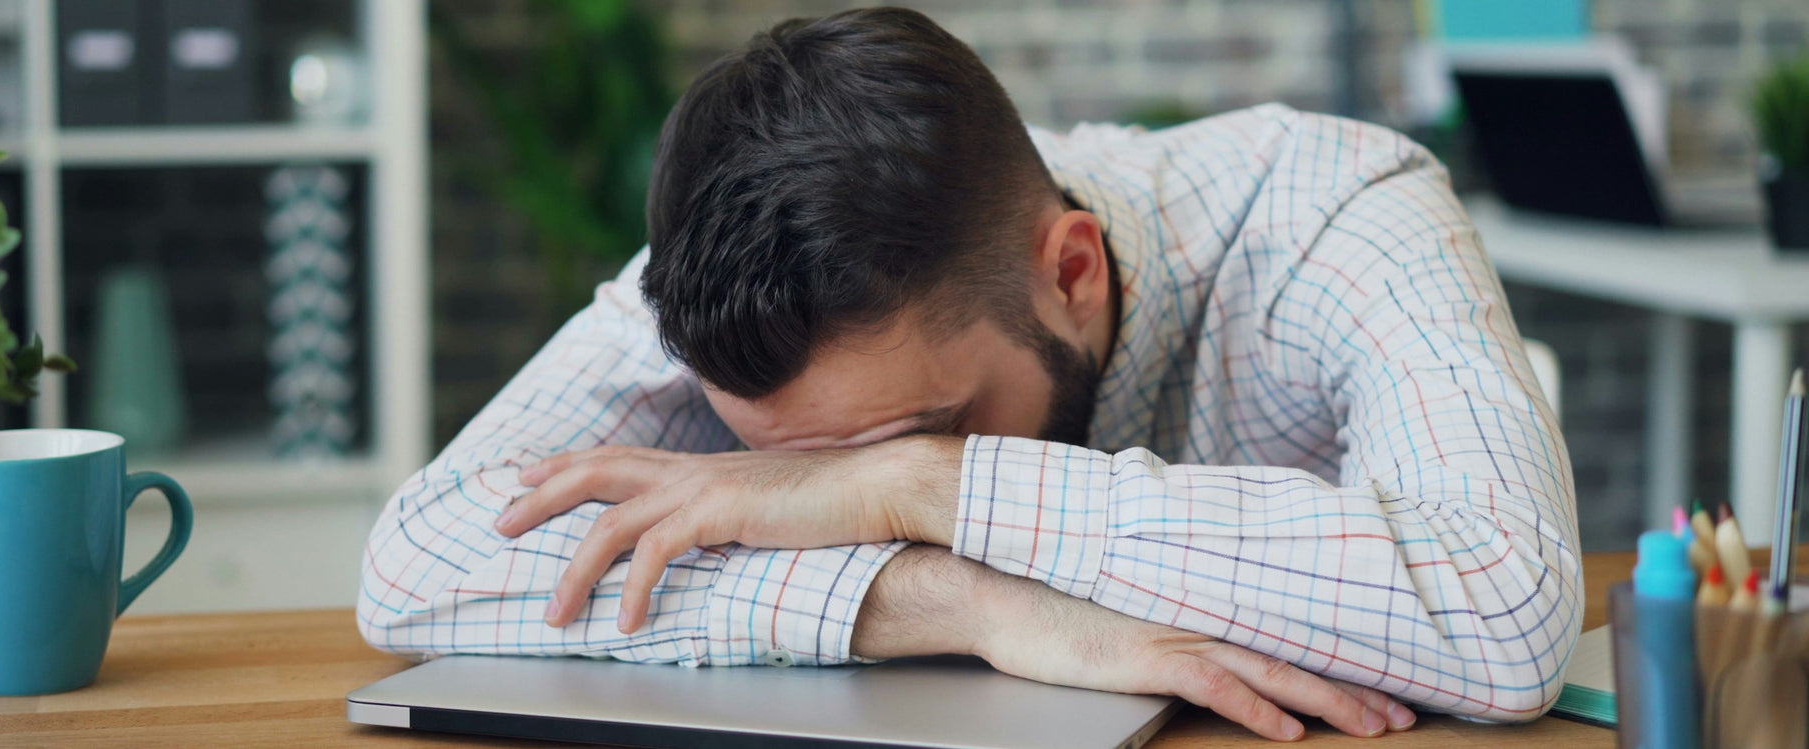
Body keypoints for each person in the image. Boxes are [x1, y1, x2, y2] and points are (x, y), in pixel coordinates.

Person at [359, 7, 1578, 742]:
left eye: (906, 430)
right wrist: (952, 600)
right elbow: (414, 565)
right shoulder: (724, 271)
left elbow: (1504, 608)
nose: (818, 491)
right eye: (793, 461)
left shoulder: (1336, 209)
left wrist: (918, 486)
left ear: (1072, 269)